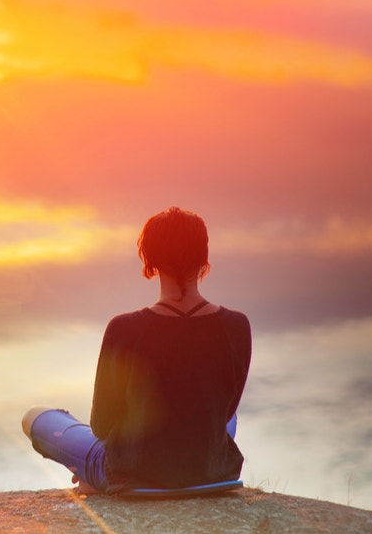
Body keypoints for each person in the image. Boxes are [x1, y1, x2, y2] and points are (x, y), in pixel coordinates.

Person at [22, 207, 251, 494]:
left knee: (34, 417)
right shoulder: (237, 325)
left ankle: (95, 477)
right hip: (212, 474)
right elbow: (228, 409)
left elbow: (102, 427)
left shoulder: (124, 329)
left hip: (134, 475)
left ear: (151, 260)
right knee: (225, 418)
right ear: (203, 259)